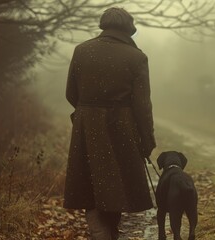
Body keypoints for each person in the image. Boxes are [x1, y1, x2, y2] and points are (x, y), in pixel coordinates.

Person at [63, 7, 156, 240]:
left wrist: (88, 112)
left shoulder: (81, 50)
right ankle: (105, 234)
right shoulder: (137, 57)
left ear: (104, 25)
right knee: (114, 187)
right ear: (129, 29)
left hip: (86, 127)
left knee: (90, 186)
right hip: (122, 128)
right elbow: (142, 106)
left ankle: (102, 234)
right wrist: (147, 141)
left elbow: (71, 94)